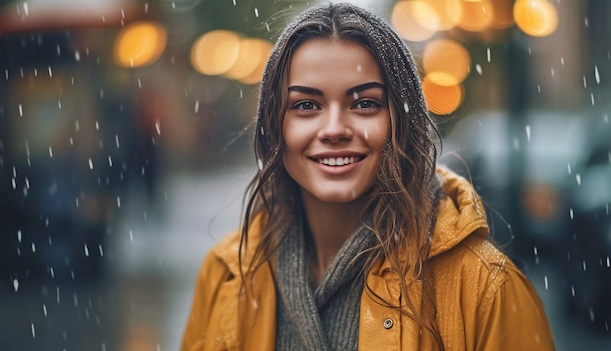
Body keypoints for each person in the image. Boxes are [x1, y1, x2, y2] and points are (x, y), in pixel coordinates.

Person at [180, 2, 555, 350]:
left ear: (401, 123)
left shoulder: (485, 287)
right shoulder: (226, 275)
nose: (333, 128)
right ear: (273, 126)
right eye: (306, 105)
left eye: (365, 103)